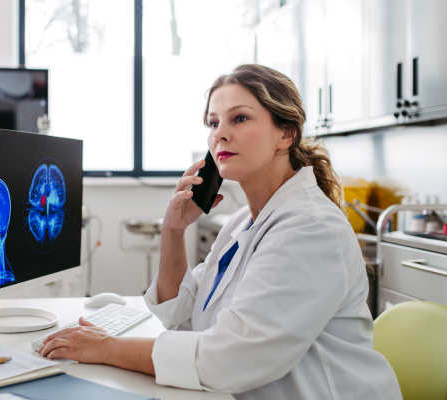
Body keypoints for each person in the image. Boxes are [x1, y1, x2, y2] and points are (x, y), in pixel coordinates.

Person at [37, 64, 402, 399]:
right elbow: (184, 315)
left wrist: (106, 348)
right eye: (213, 123)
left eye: (239, 118)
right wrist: (172, 231)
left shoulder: (309, 228)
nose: (220, 135)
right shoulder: (243, 221)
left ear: (286, 134)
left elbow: (230, 359)